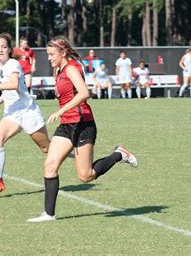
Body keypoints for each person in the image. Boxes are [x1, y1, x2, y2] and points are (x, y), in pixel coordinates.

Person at [27, 36, 138, 222]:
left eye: (51, 54)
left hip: (82, 124)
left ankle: (119, 154)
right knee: (50, 165)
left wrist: (61, 110)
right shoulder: (59, 69)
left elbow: (85, 93)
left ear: (62, 53)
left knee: (85, 176)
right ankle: (49, 214)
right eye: (48, 54)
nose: (49, 58)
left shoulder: (70, 68)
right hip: (66, 125)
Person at [0, 33, 50, 192]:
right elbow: (6, 89)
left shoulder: (13, 64)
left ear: (9, 49)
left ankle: (77, 154)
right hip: (12, 113)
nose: (0, 50)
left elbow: (14, 84)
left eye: (3, 46)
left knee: (47, 149)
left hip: (27, 111)